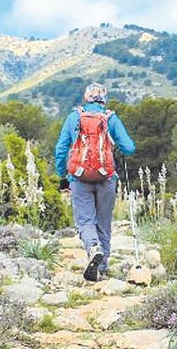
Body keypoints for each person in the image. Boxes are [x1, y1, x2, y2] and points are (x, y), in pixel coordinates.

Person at [54, 83, 135, 281]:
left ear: (86, 97)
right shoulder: (110, 118)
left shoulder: (75, 117)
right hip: (106, 176)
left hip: (79, 177)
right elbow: (129, 147)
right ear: (103, 99)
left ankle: (92, 247)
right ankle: (103, 267)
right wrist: (118, 149)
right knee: (104, 222)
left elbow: (61, 149)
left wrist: (63, 174)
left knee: (85, 221)